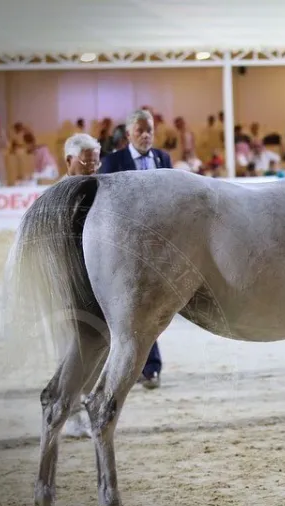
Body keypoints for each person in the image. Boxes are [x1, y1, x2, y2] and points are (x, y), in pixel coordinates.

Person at [100, 109, 172, 390]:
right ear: (128, 133)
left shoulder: (163, 159)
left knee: (150, 310)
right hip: (122, 249)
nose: (146, 135)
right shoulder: (113, 161)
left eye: (150, 130)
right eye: (140, 130)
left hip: (159, 248)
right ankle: (129, 368)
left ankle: (150, 368)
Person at [59, 133, 102, 438]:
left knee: (100, 347)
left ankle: (83, 404)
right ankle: (69, 410)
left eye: (95, 159)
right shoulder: (58, 195)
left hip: (98, 283)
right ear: (68, 161)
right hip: (70, 282)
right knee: (72, 350)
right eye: (85, 160)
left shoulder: (102, 188)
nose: (91, 166)